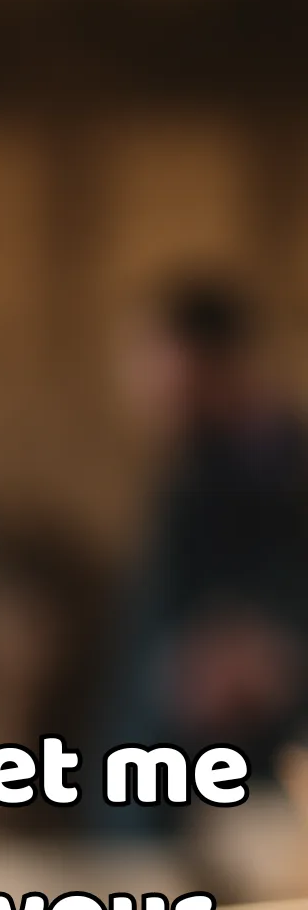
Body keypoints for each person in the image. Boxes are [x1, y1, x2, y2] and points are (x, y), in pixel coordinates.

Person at [102, 274, 308, 815]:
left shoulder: (277, 468)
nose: (139, 379)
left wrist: (267, 656)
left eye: (155, 357)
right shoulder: (194, 469)